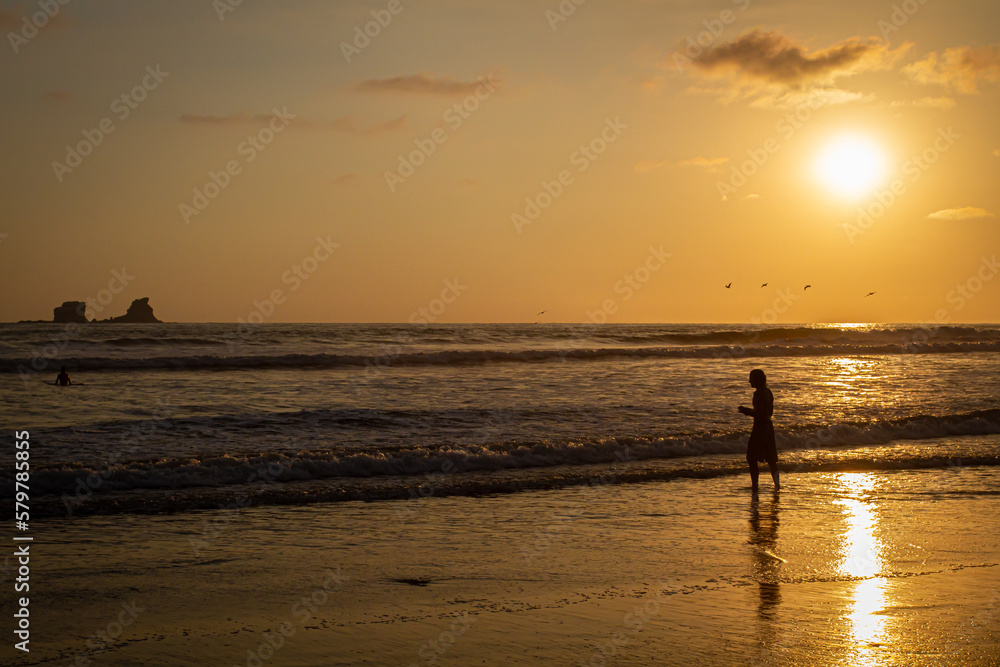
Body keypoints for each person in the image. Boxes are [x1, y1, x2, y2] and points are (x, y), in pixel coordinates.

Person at [738, 368, 779, 491]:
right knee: (771, 460)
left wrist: (747, 411)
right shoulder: (768, 392)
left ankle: (755, 485)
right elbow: (769, 412)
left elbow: (759, 413)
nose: (749, 381)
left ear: (757, 380)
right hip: (768, 426)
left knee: (751, 458)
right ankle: (777, 485)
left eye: (751, 378)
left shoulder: (758, 394)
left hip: (760, 428)